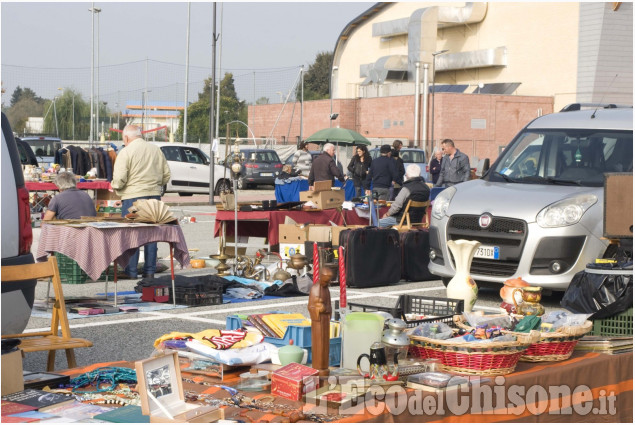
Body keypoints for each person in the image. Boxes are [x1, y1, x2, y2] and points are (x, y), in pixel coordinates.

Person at [111, 124, 171, 279]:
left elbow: (119, 180)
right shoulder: (156, 150)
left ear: (126, 137)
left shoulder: (126, 152)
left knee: (133, 235)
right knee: (151, 235)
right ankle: (150, 271)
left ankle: (131, 271)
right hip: (154, 196)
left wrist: (115, 187)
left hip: (133, 197)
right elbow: (166, 176)